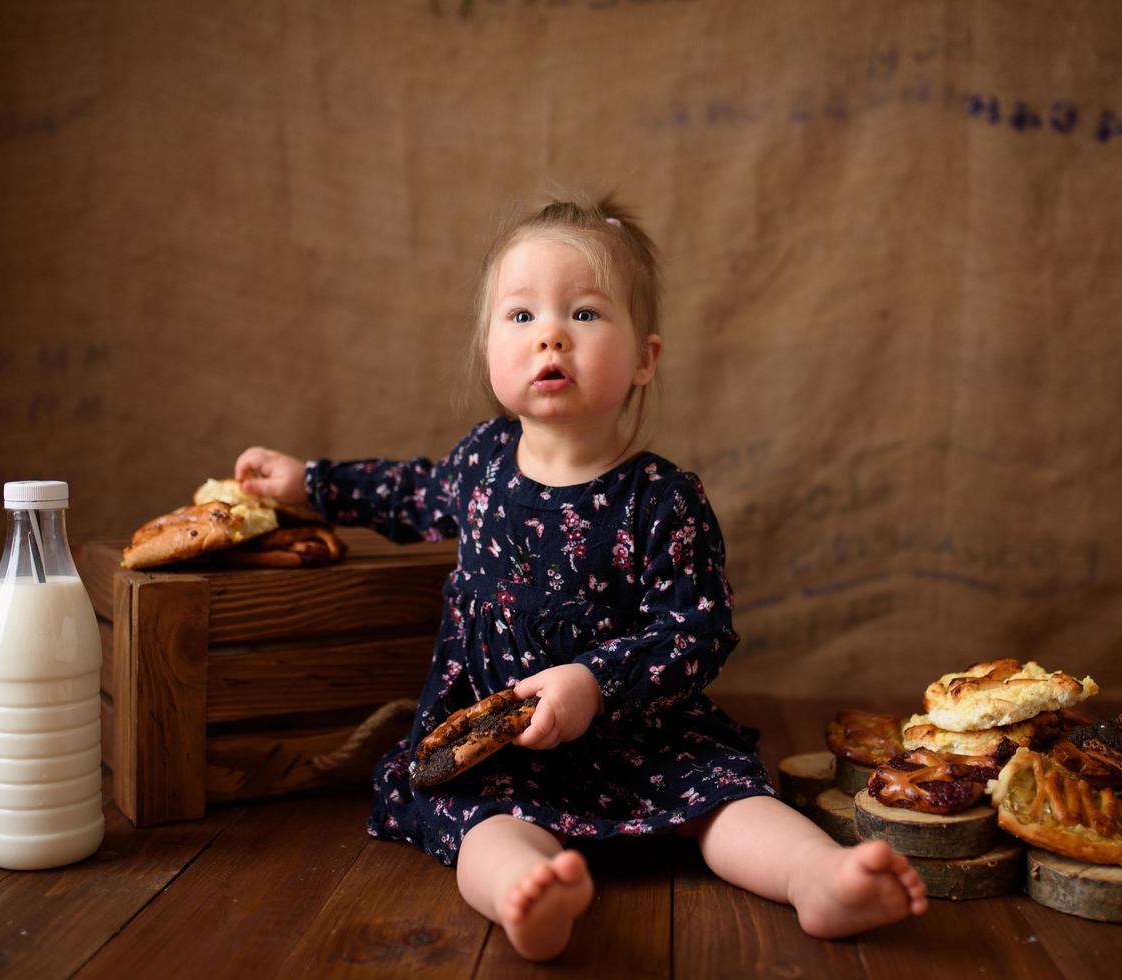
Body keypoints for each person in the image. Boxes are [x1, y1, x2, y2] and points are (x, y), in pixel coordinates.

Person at [234, 196, 926, 961]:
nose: (551, 334)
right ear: (488, 345)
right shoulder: (481, 464)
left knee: (727, 796)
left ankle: (818, 879)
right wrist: (311, 483)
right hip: (500, 747)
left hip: (640, 738)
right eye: (521, 316)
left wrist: (594, 682)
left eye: (586, 315)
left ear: (644, 358)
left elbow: (695, 633)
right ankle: (528, 894)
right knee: (480, 823)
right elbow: (410, 493)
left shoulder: (662, 499)